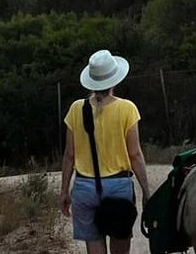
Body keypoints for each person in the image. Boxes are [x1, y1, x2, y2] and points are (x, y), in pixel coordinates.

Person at [60, 49, 150, 254]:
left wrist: (64, 191)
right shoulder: (127, 109)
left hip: (84, 188)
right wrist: (146, 191)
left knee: (94, 245)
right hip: (118, 186)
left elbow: (69, 155)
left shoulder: (76, 109)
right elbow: (135, 154)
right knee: (120, 245)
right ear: (114, 80)